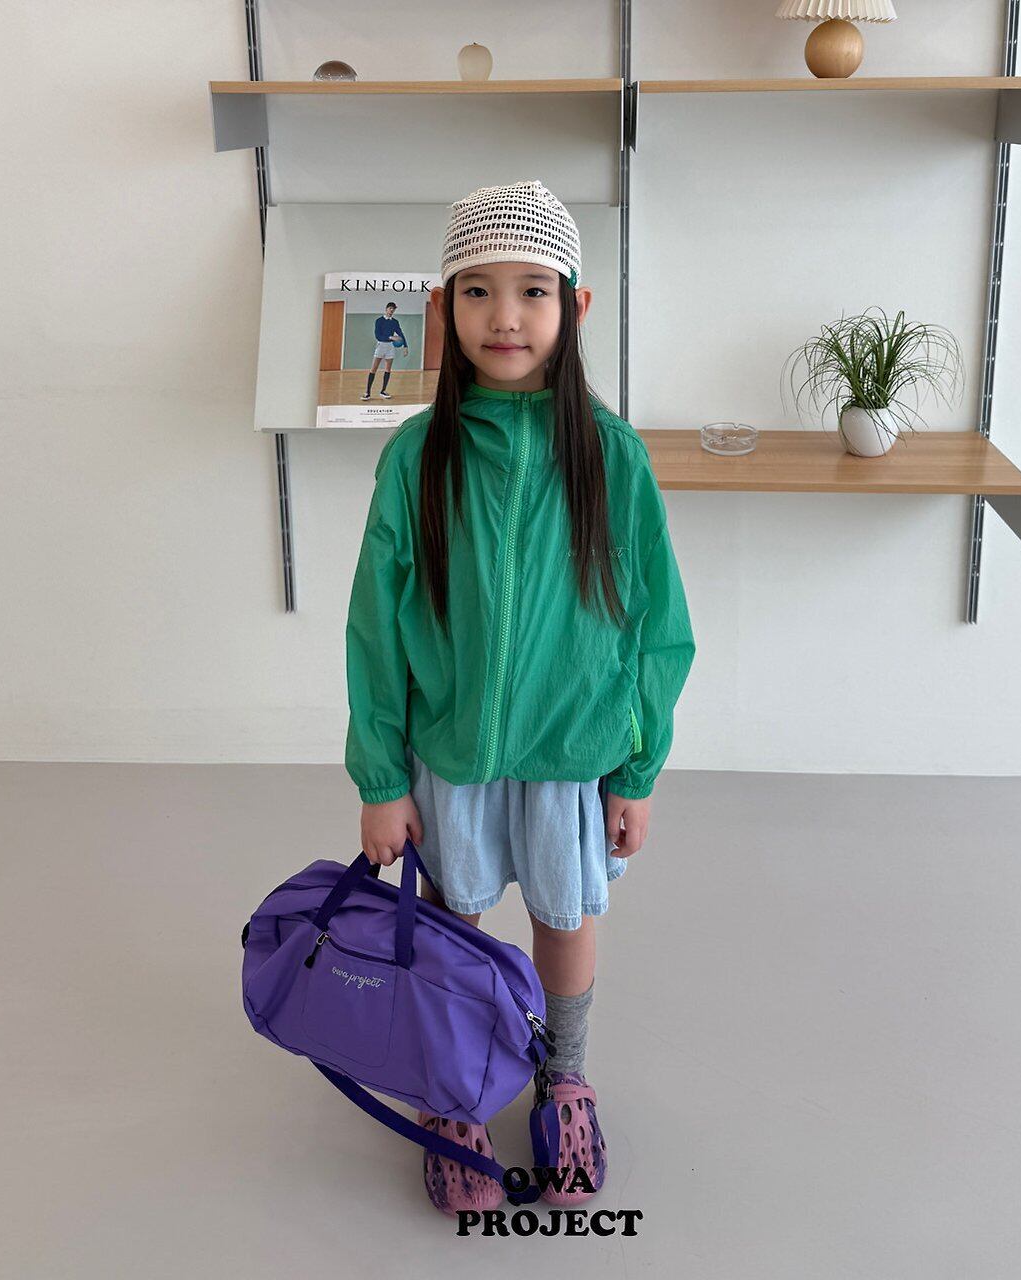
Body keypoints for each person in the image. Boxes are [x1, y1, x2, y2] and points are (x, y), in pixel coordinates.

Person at [343, 179, 696, 1217]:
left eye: (533, 290)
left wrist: (637, 769)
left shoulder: (611, 456)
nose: (505, 316)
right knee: (452, 923)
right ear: (443, 305)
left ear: (574, 305)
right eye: (478, 290)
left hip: (571, 750)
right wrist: (381, 776)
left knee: (563, 914)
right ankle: (455, 1087)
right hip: (450, 751)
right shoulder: (417, 456)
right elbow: (374, 626)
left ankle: (563, 1077)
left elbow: (657, 626)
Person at [362, 302, 409, 400]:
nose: (392, 310)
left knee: (388, 369)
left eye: (393, 309)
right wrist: (391, 337)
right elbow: (378, 336)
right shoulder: (379, 321)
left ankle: (383, 391)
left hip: (390, 347)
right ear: (386, 309)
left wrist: (405, 346)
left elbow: (400, 333)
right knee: (373, 369)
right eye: (390, 308)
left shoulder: (395, 322)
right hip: (381, 345)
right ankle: (367, 393)